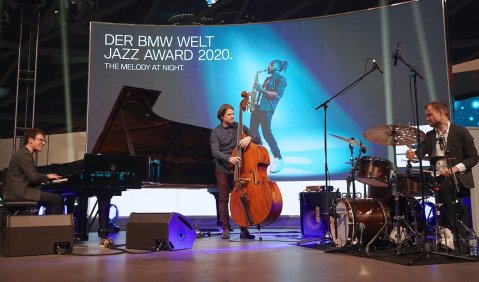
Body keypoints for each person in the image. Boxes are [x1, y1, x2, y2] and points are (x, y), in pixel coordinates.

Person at [405, 100, 478, 247]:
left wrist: (454, 169)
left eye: (430, 115)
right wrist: (412, 155)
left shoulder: (460, 132)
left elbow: (473, 157)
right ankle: (415, 233)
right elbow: (419, 154)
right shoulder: (430, 135)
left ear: (441, 113)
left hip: (457, 177)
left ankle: (448, 232)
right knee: (408, 186)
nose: (427, 119)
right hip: (436, 177)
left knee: (442, 188)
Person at [210, 104, 261, 239]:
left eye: (233, 114)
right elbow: (215, 152)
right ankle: (225, 228)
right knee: (223, 198)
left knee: (242, 197)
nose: (232, 116)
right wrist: (229, 158)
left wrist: (250, 138)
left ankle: (244, 229)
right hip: (223, 168)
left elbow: (258, 138)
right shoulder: (215, 132)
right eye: (229, 114)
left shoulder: (239, 126)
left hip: (240, 168)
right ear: (222, 117)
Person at [3, 128, 64, 214]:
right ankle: (52, 227)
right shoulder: (25, 155)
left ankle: (45, 224)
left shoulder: (24, 153)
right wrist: (48, 176)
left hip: (17, 192)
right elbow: (34, 178)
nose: (43, 143)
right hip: (20, 193)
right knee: (57, 200)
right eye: (40, 140)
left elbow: (30, 178)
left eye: (44, 141)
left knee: (50, 198)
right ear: (30, 140)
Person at [250, 59, 288, 173]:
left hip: (267, 108)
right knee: (252, 131)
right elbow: (261, 93)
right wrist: (253, 96)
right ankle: (258, 154)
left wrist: (261, 89)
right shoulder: (267, 79)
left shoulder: (281, 79)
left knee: (266, 133)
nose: (268, 66)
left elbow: (277, 95)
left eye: (271, 64)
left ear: (277, 67)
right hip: (257, 106)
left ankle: (279, 159)